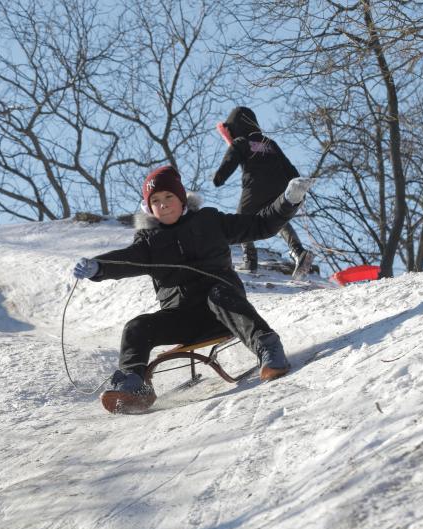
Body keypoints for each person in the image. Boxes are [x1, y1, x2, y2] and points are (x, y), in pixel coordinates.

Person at [73, 165, 315, 408]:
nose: (164, 204)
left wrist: (288, 200)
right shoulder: (147, 242)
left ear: (181, 199)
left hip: (226, 310)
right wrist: (99, 267)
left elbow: (259, 224)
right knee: (136, 327)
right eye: (156, 200)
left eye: (169, 197)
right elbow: (126, 259)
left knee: (218, 294)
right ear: (149, 207)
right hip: (182, 319)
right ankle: (134, 385)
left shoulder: (209, 221)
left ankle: (268, 349)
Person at [213, 106, 314, 278]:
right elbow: (288, 166)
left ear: (235, 127)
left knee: (242, 219)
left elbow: (231, 158)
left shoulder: (242, 142)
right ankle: (299, 252)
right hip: (280, 186)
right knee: (279, 215)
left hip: (256, 186)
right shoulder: (270, 143)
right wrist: (298, 188)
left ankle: (249, 260)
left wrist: (220, 177)